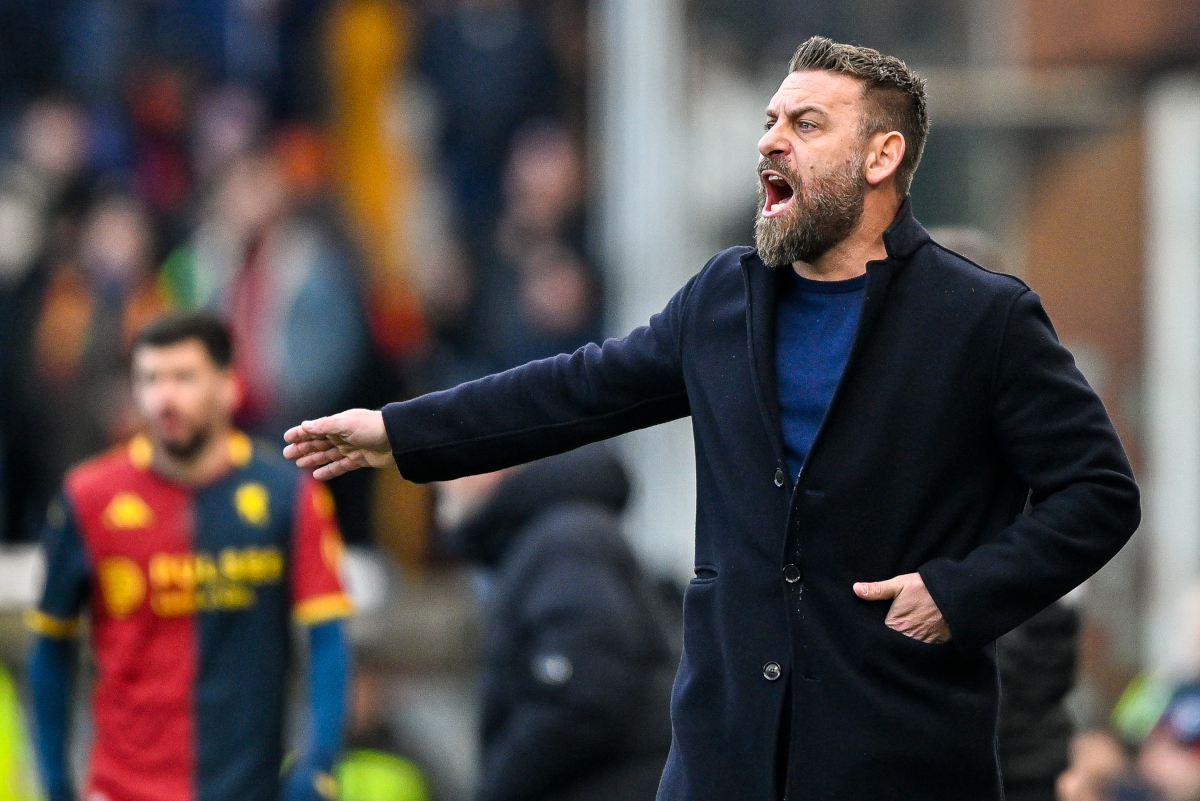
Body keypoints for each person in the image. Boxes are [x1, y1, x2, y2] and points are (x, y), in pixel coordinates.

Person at [283, 37, 1140, 800]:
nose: (770, 140)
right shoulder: (724, 297)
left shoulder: (982, 318)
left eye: (806, 124)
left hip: (901, 757)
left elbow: (1099, 492)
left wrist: (960, 591)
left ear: (882, 156)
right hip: (723, 758)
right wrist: (401, 430)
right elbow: (577, 389)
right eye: (770, 120)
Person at [27, 313, 352, 801]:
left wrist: (318, 768)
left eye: (183, 378)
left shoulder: (289, 496)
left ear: (229, 387)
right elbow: (50, 648)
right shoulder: (87, 497)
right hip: (123, 789)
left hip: (248, 788)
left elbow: (328, 639)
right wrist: (55, 783)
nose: (164, 399)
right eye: (150, 380)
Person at [439, 445, 674, 801]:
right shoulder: (550, 536)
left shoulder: (564, 539)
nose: (436, 482)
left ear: (491, 462)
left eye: (447, 461)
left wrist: (500, 784)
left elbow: (585, 691)